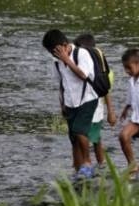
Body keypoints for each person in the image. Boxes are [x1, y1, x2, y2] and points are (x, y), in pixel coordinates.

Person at [43, 29, 99, 179]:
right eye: (51, 52)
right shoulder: (56, 62)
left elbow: (83, 75)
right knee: (73, 137)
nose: (55, 55)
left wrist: (67, 60)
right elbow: (61, 84)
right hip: (70, 102)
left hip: (87, 99)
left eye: (56, 51)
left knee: (80, 131)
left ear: (64, 45)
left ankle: (88, 163)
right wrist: (62, 104)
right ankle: (78, 169)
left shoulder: (81, 54)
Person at [74, 34, 117, 168]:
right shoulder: (80, 65)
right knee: (94, 138)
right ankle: (100, 164)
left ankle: (91, 164)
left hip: (95, 108)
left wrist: (111, 112)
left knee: (90, 137)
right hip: (84, 107)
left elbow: (106, 91)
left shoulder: (100, 69)